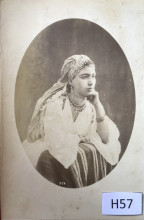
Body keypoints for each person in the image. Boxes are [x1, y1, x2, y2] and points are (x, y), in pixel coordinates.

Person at [23, 55, 121, 188]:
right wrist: (83, 138)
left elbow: (105, 139)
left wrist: (98, 105)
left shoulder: (90, 108)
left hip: (70, 153)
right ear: (71, 80)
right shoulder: (56, 104)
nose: (91, 82)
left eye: (93, 76)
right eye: (84, 76)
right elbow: (56, 142)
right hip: (49, 150)